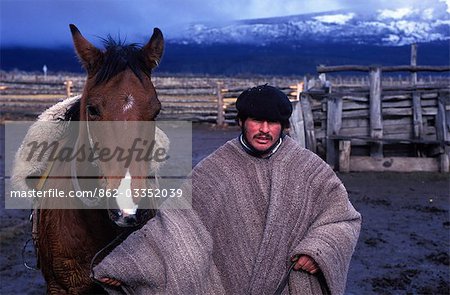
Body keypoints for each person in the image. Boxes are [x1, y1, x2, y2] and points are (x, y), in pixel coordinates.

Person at [95, 85, 362, 294]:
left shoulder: (309, 169)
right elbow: (176, 224)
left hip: (291, 284)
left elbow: (343, 219)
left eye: (273, 123)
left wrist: (317, 250)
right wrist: (126, 266)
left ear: (284, 127)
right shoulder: (216, 168)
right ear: (242, 121)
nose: (265, 130)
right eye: (257, 121)